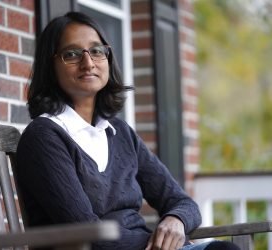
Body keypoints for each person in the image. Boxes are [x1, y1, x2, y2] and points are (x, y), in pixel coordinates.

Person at [16, 11, 240, 250]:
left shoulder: (120, 133)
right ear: (50, 66)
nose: (88, 63)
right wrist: (167, 245)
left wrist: (176, 220)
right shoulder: (44, 136)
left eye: (96, 51)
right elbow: (86, 232)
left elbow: (182, 202)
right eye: (71, 54)